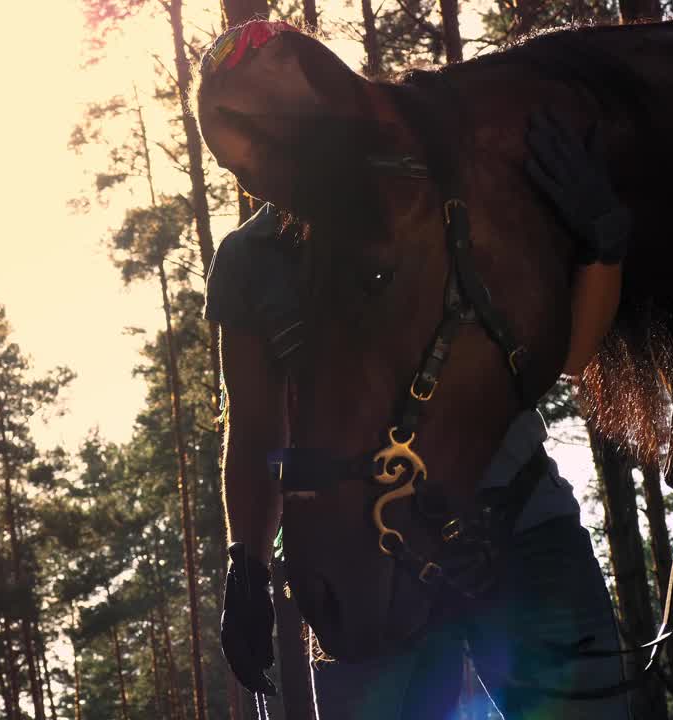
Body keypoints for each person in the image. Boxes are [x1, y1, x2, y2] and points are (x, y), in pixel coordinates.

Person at [207, 111, 634, 719]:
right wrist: (244, 566)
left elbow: (568, 357)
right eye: (231, 160)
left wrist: (601, 250)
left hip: (521, 534)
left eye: (254, 140)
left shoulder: (443, 189)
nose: (249, 167)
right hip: (363, 568)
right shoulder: (249, 259)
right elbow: (254, 433)